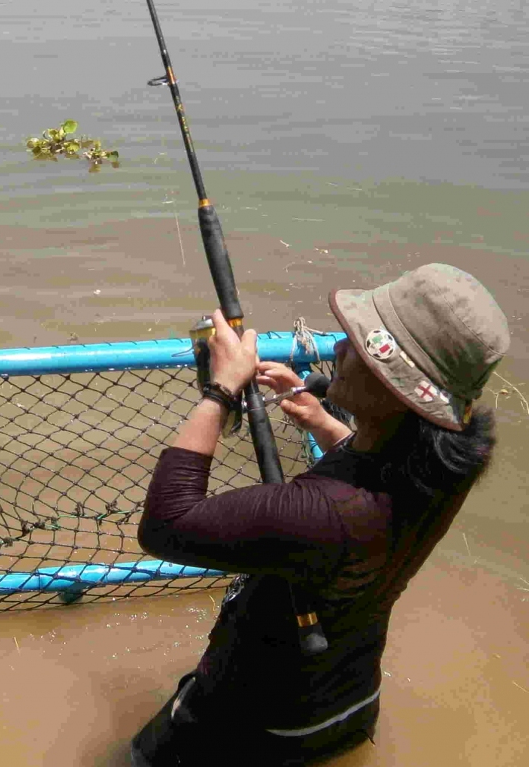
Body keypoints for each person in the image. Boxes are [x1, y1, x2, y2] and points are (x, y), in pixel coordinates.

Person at [131, 264, 509, 766]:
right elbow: (375, 462)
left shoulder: (321, 514)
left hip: (256, 726)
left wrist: (221, 389)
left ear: (396, 388)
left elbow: (165, 522)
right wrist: (318, 417)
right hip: (348, 702)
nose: (338, 349)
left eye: (356, 344)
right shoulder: (446, 467)